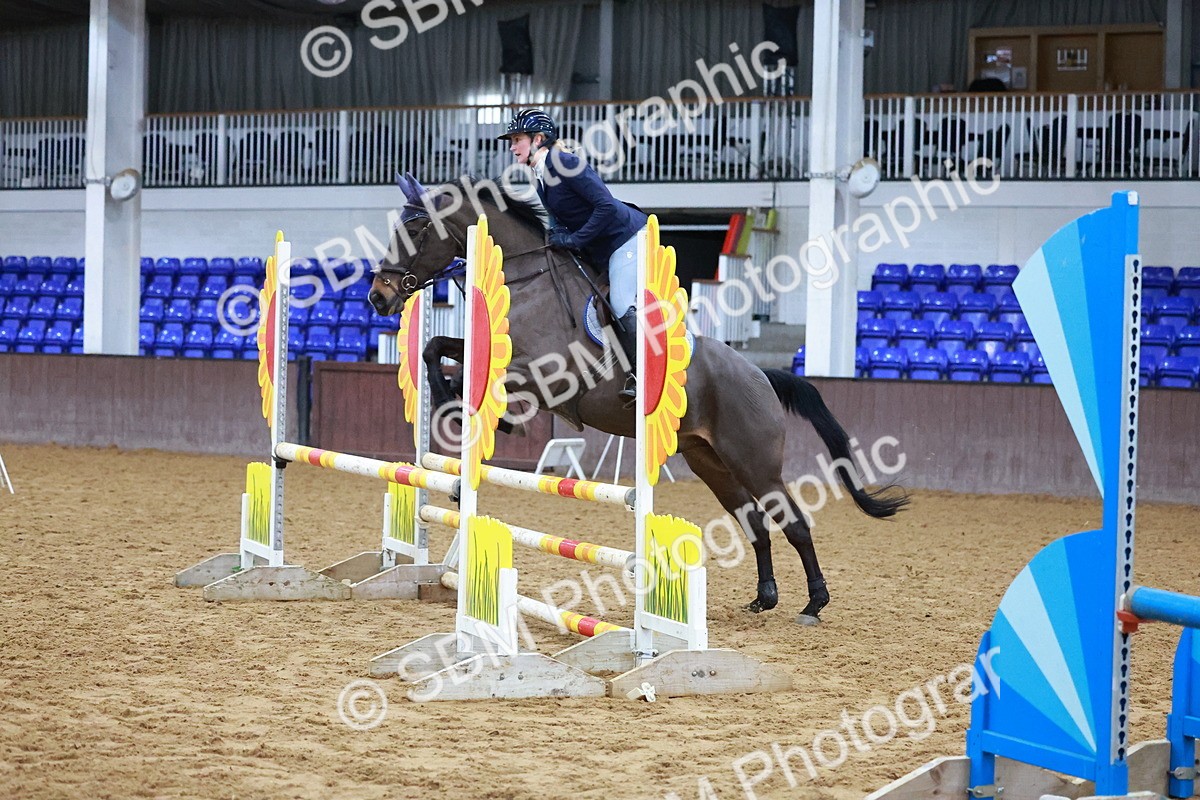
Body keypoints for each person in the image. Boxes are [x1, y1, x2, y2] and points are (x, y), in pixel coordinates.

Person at [498, 109, 647, 401]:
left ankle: (641, 375)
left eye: (517, 140)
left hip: (626, 239)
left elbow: (605, 206)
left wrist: (574, 240)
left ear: (538, 139)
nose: (512, 147)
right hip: (601, 246)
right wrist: (555, 238)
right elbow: (556, 222)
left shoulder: (564, 162)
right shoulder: (540, 176)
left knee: (618, 302)